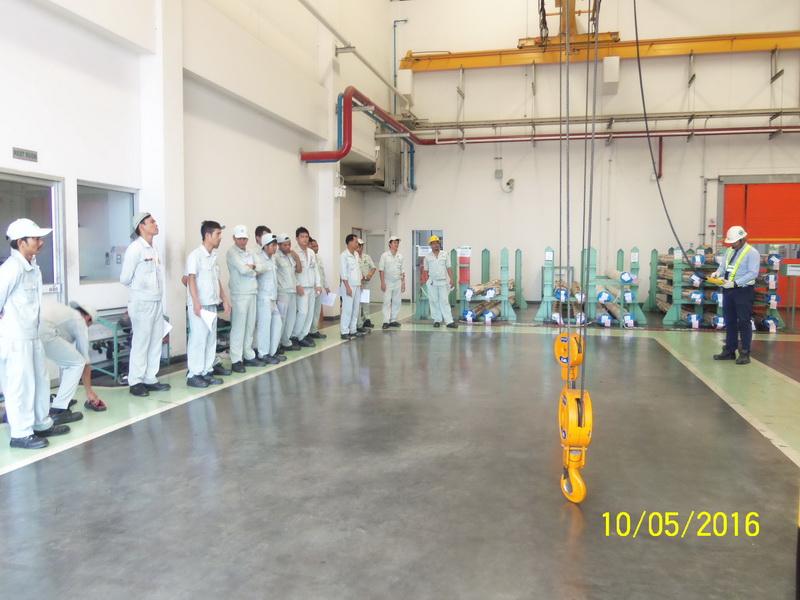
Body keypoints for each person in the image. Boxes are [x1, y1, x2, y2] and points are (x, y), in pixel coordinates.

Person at [0, 218, 69, 449]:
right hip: (15, 338)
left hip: (32, 334)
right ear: (21, 242)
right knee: (19, 386)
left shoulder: (32, 267)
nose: (41, 242)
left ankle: (41, 424)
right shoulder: (11, 269)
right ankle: (20, 434)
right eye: (36, 238)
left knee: (40, 382)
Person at [120, 212, 170, 397]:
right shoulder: (135, 249)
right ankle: (136, 381)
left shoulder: (154, 249)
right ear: (141, 226)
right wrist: (140, 287)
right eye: (151, 222)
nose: (156, 224)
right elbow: (125, 278)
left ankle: (150, 378)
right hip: (142, 303)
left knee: (156, 340)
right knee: (141, 342)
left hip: (156, 301)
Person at [40, 301, 107, 419]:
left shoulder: (66, 313)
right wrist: (89, 392)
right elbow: (84, 362)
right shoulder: (80, 321)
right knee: (77, 363)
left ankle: (59, 400)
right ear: (88, 318)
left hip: (27, 330)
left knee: (35, 370)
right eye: (89, 325)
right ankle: (59, 410)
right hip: (46, 332)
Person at [185, 220, 231, 388]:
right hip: (200, 306)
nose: (220, 238)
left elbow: (216, 280)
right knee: (198, 339)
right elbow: (190, 279)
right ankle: (194, 374)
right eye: (217, 234)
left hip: (211, 304)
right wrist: (196, 302)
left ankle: (206, 371)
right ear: (207, 235)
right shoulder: (195, 256)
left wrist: (224, 299)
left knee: (210, 339)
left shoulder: (213, 257)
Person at [712, 225, 760, 365]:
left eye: (734, 242)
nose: (732, 244)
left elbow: (753, 273)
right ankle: (730, 350)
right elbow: (723, 266)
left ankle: (745, 353)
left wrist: (735, 283)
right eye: (731, 242)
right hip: (728, 290)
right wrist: (718, 273)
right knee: (730, 321)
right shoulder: (729, 250)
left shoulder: (752, 253)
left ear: (742, 239)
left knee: (744, 321)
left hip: (743, 291)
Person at [226, 225, 264, 373]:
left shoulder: (250, 252)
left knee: (250, 326)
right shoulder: (231, 252)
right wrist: (254, 270)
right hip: (240, 294)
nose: (242, 241)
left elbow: (262, 267)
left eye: (244, 239)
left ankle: (248, 355)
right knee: (239, 327)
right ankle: (236, 359)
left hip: (252, 291)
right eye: (240, 238)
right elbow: (243, 269)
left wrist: (252, 267)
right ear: (234, 238)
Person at [254, 228, 284, 364]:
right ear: (265, 246)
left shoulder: (273, 259)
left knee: (277, 324)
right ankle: (263, 353)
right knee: (264, 327)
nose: (275, 247)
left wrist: (276, 297)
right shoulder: (259, 258)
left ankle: (272, 352)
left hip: (273, 298)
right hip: (263, 298)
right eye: (273, 245)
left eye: (276, 245)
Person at [291, 227, 322, 348]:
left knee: (310, 313)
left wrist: (318, 285)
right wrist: (297, 285)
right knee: (302, 312)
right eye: (302, 237)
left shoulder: (311, 252)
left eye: (306, 237)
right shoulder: (293, 252)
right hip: (301, 288)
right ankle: (295, 336)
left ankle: (303, 336)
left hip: (311, 287)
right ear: (297, 238)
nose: (305, 239)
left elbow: (315, 270)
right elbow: (292, 272)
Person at [275, 233, 302, 352]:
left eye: (289, 244)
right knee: (281, 320)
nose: (288, 247)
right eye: (285, 245)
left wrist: (297, 285)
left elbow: (294, 273)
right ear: (279, 245)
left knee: (291, 318)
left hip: (292, 291)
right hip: (282, 293)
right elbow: (274, 276)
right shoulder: (276, 257)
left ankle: (286, 342)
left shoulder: (290, 257)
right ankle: (277, 345)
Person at [424, 235, 458, 329]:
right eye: (434, 243)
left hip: (442, 282)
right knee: (434, 301)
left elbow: (449, 267)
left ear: (439, 244)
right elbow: (426, 270)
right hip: (432, 282)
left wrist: (451, 279)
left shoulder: (445, 254)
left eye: (437, 243)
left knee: (444, 301)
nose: (436, 245)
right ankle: (437, 320)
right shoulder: (427, 257)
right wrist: (427, 281)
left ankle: (449, 321)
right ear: (431, 245)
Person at [339, 234, 363, 341]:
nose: (357, 244)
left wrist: (360, 283)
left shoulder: (356, 255)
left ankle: (353, 329)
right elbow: (343, 274)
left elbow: (358, 270)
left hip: (357, 285)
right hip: (348, 286)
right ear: (349, 243)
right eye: (355, 242)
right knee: (347, 309)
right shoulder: (344, 256)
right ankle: (344, 331)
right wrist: (347, 287)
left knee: (355, 309)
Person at [379, 236, 405, 329]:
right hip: (388, 281)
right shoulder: (385, 256)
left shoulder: (400, 256)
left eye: (397, 243)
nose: (396, 244)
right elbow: (381, 270)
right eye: (394, 242)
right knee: (387, 301)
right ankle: (386, 321)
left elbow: (402, 271)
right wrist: (382, 282)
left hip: (397, 281)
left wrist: (403, 283)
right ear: (390, 244)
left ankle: (393, 320)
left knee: (397, 301)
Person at [308, 238, 330, 339]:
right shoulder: (307, 258)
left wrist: (326, 287)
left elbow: (322, 274)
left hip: (319, 288)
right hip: (311, 289)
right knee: (309, 311)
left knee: (316, 311)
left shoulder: (319, 258)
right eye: (314, 246)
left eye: (317, 246)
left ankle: (314, 330)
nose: (316, 248)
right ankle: (307, 332)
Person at [356, 239, 376, 330]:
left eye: (362, 245)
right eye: (359, 245)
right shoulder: (354, 257)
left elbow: (373, 268)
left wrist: (370, 275)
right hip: (357, 283)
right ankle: (358, 321)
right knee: (357, 303)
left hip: (366, 282)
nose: (360, 247)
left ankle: (366, 319)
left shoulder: (367, 257)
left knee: (366, 302)